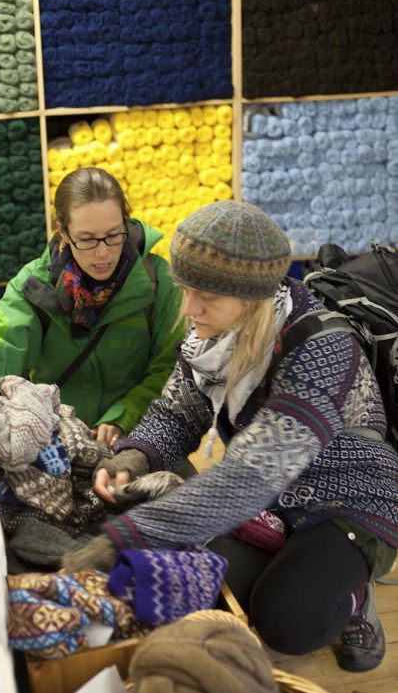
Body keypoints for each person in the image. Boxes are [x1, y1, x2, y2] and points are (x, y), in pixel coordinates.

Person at [61, 200, 398, 673]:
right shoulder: (210, 338)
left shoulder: (323, 349)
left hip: (349, 499)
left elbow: (249, 477)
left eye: (207, 296)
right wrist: (132, 458)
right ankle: (292, 559)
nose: (190, 308)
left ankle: (353, 598)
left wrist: (121, 538)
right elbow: (177, 414)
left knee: (287, 621)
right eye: (185, 290)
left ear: (254, 295)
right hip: (277, 497)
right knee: (210, 586)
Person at [0, 167, 184, 446]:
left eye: (113, 235)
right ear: (63, 232)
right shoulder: (36, 285)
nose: (103, 252)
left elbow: (170, 367)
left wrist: (123, 417)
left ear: (126, 222)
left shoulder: (158, 282)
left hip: (141, 438)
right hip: (57, 442)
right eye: (87, 239)